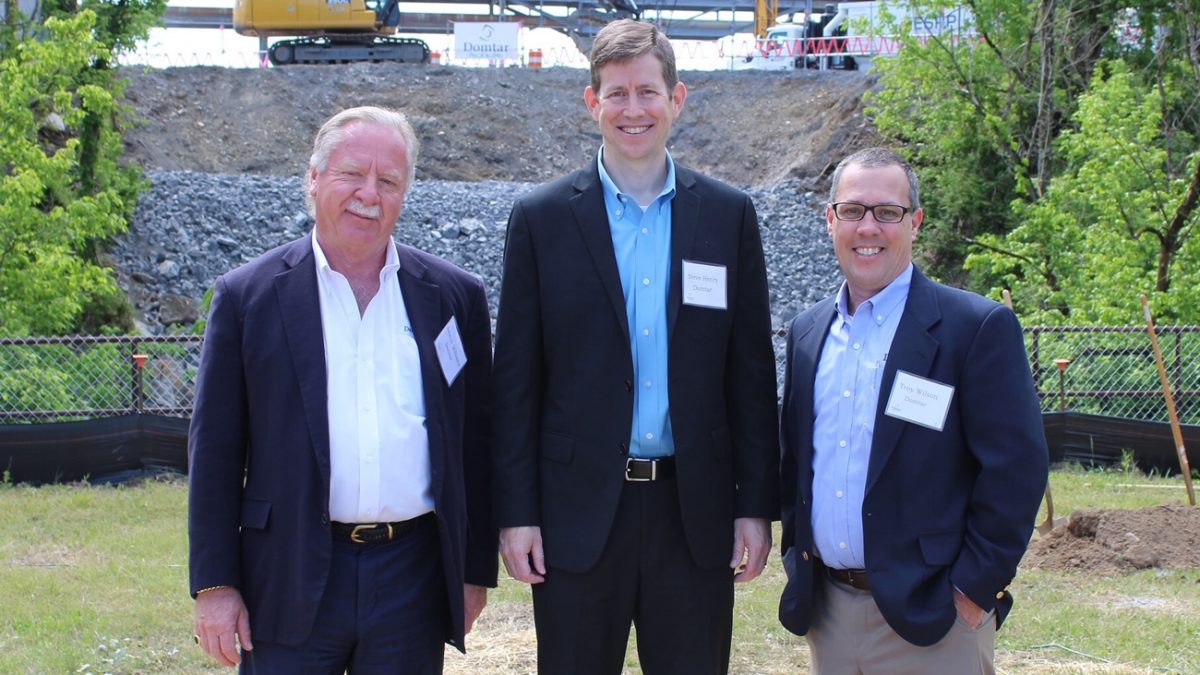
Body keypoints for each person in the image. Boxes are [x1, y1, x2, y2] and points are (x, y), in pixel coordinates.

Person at [491, 19, 779, 675]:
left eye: (648, 92)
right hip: (577, 515)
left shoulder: (728, 216)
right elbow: (516, 382)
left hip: (694, 512)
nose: (633, 109)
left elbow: (750, 375)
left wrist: (755, 506)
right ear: (592, 101)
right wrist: (517, 514)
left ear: (677, 99)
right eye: (616, 93)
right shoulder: (541, 219)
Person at [187, 106, 496, 673]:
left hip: (413, 578)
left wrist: (473, 572)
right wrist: (215, 585)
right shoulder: (247, 298)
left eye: (388, 181)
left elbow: (475, 444)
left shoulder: (454, 296)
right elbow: (214, 455)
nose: (369, 195)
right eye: (353, 174)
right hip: (288, 572)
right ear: (314, 177)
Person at [777, 147, 1048, 673]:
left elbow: (1017, 468)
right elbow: (797, 462)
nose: (868, 227)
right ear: (830, 219)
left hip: (934, 619)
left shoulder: (974, 328)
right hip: (828, 615)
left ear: (915, 222)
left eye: (887, 212)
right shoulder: (808, 332)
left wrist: (974, 588)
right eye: (852, 210)